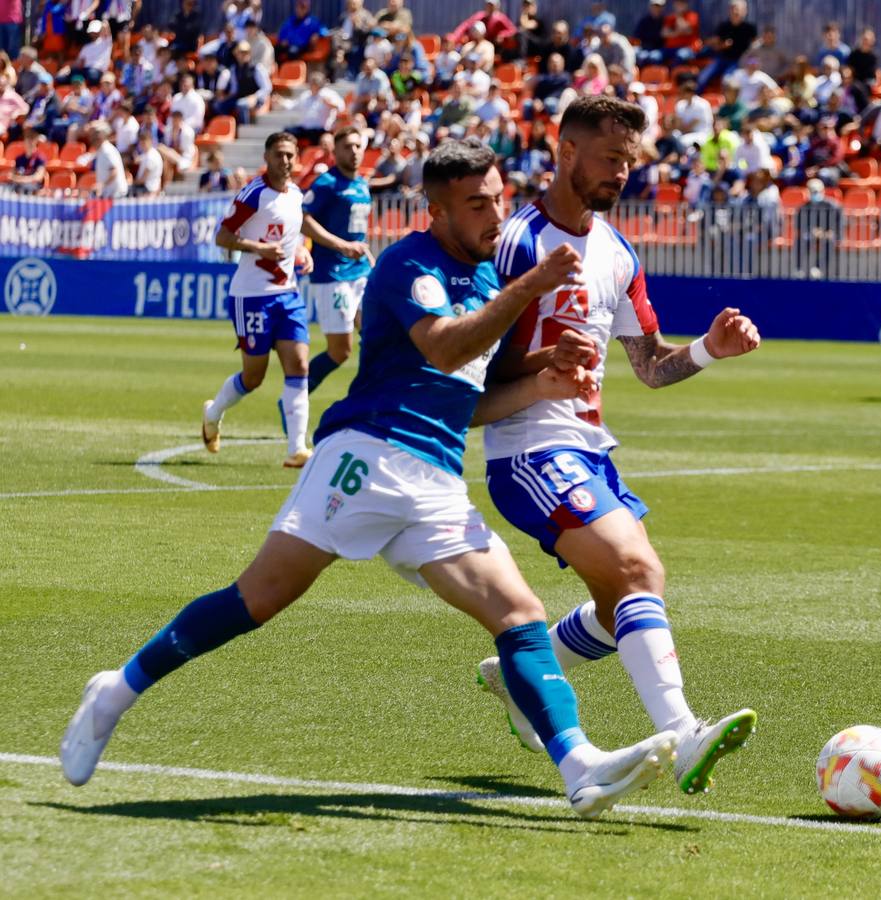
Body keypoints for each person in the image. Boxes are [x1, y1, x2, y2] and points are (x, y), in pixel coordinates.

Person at [60, 138, 680, 818]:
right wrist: (530, 286)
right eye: (475, 204)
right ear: (435, 209)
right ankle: (115, 692)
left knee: (521, 616)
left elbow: (472, 397)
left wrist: (543, 377)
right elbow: (445, 347)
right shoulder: (407, 263)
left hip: (438, 478)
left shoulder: (483, 281)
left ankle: (578, 767)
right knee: (258, 598)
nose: (494, 216)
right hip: (369, 455)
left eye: (499, 199)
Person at [481, 95, 762, 795]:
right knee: (640, 571)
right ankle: (684, 733)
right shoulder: (515, 242)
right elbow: (471, 368)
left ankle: (523, 671)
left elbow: (649, 368)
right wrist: (543, 359)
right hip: (527, 448)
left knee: (618, 604)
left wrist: (707, 350)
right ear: (565, 152)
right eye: (611, 159)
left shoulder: (616, 251)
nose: (622, 174)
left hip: (589, 450)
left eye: (629, 161)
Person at [204, 132, 313, 468]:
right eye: (279, 154)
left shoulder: (295, 194)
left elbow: (291, 232)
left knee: (299, 365)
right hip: (252, 296)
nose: (285, 161)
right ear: (267, 157)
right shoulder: (254, 194)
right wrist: (258, 248)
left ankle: (296, 448)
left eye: (291, 155)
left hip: (288, 294)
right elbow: (222, 236)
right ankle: (213, 412)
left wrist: (301, 252)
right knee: (254, 377)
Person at [298, 125, 372, 409]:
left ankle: (369, 400)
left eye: (357, 146)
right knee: (340, 351)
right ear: (335, 152)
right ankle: (296, 398)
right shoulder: (327, 184)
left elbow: (359, 234)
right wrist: (341, 246)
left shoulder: (363, 184)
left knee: (375, 335)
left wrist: (367, 256)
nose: (353, 152)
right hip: (333, 275)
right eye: (347, 147)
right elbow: (303, 219)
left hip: (361, 272)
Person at [695, 0, 755, 95]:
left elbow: (754, 48)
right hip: (721, 59)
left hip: (738, 61)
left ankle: (725, 104)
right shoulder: (724, 26)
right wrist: (723, 46)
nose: (735, 12)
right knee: (703, 76)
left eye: (738, 9)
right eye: (733, 9)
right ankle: (695, 100)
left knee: (727, 80)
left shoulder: (749, 28)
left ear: (745, 11)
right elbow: (715, 46)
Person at [289, 71, 344, 144]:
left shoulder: (329, 94)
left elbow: (341, 107)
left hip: (321, 129)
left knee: (314, 136)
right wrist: (281, 101)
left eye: (315, 83)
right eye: (311, 83)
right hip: (305, 128)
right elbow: (294, 105)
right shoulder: (306, 95)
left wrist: (330, 104)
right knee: (288, 132)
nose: (312, 85)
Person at [88, 121, 127, 198]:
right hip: (109, 194)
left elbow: (114, 172)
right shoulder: (101, 150)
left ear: (101, 137)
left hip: (116, 195)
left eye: (95, 136)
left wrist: (101, 185)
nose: (92, 139)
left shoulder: (107, 150)